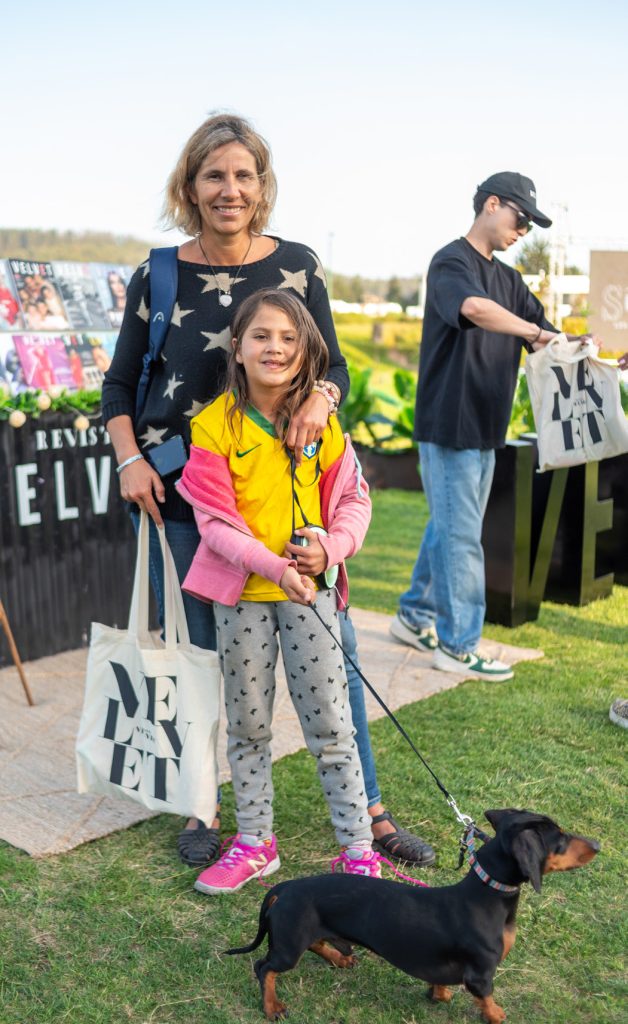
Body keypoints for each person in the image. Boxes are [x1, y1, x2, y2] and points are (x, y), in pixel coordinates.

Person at [101, 112, 434, 871]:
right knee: (204, 658)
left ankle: (371, 812)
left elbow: (333, 365)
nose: (230, 190)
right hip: (184, 501)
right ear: (190, 186)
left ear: (262, 185)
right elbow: (119, 385)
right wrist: (129, 461)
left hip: (286, 500)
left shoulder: (298, 267)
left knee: (335, 654)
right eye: (213, 175)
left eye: (244, 175)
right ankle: (206, 804)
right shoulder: (158, 275)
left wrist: (321, 398)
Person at [177, 288, 385, 891]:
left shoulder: (323, 423)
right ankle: (254, 843)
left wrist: (331, 550)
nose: (275, 348)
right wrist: (274, 567)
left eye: (289, 338)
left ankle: (357, 850)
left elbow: (355, 500)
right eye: (262, 336)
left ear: (306, 351)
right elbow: (214, 525)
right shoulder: (213, 426)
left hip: (311, 598)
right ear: (237, 346)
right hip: (244, 599)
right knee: (247, 726)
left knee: (332, 728)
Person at [390, 172, 562, 681]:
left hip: (487, 426)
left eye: (530, 226)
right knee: (462, 535)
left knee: (449, 525)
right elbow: (473, 308)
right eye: (521, 218)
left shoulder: (511, 280)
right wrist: (532, 331)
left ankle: (413, 614)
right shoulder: (451, 262)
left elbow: (548, 336)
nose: (523, 231)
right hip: (450, 424)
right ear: (492, 204)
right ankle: (458, 646)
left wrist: (596, 354)